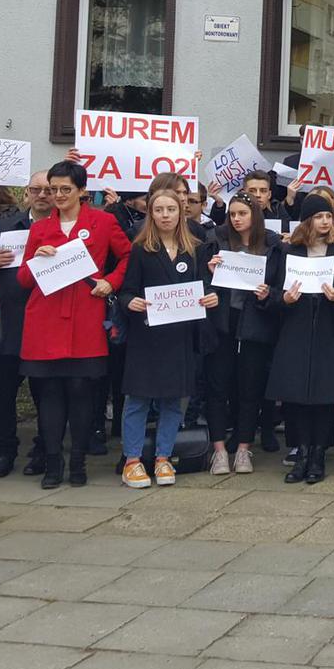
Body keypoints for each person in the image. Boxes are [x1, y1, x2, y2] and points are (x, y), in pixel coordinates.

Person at [17, 160, 132, 488]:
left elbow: (127, 257)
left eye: (66, 189)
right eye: (53, 190)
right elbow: (25, 279)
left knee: (82, 391)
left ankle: (78, 460)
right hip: (45, 319)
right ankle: (54, 462)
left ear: (83, 191)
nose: (58, 195)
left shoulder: (102, 221)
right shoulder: (39, 229)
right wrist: (37, 257)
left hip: (85, 315)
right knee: (49, 393)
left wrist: (110, 281)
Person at [118, 189, 219, 488]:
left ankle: (164, 457)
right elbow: (126, 290)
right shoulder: (141, 249)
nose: (165, 215)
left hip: (180, 337)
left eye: (171, 209)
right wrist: (129, 303)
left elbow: (205, 288)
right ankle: (132, 460)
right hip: (147, 337)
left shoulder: (196, 249)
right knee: (137, 399)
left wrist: (212, 297)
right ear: (151, 213)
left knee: (173, 401)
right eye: (159, 210)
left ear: (181, 211)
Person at [266, 193, 334, 485]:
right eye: (319, 217)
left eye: (328, 217)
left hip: (328, 332)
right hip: (295, 332)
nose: (324, 222)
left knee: (323, 399)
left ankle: (318, 455)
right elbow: (269, 293)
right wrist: (284, 298)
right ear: (307, 221)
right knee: (295, 398)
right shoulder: (288, 251)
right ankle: (301, 454)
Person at [205, 192, 282, 475]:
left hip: (255, 323)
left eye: (242, 214)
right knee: (218, 387)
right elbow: (201, 282)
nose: (237, 219)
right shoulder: (216, 239)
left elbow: (280, 288)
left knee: (250, 388)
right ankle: (219, 451)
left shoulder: (272, 244)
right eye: (233, 214)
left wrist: (268, 295)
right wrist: (209, 273)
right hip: (223, 322)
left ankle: (243, 449)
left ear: (255, 215)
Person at [0, 171, 52, 478]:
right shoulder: (2, 228)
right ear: (26, 193)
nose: (42, 195)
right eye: (36, 189)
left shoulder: (66, 231)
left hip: (47, 329)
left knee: (47, 396)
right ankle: (3, 452)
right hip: (6, 327)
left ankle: (43, 451)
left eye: (49, 190)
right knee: (0, 395)